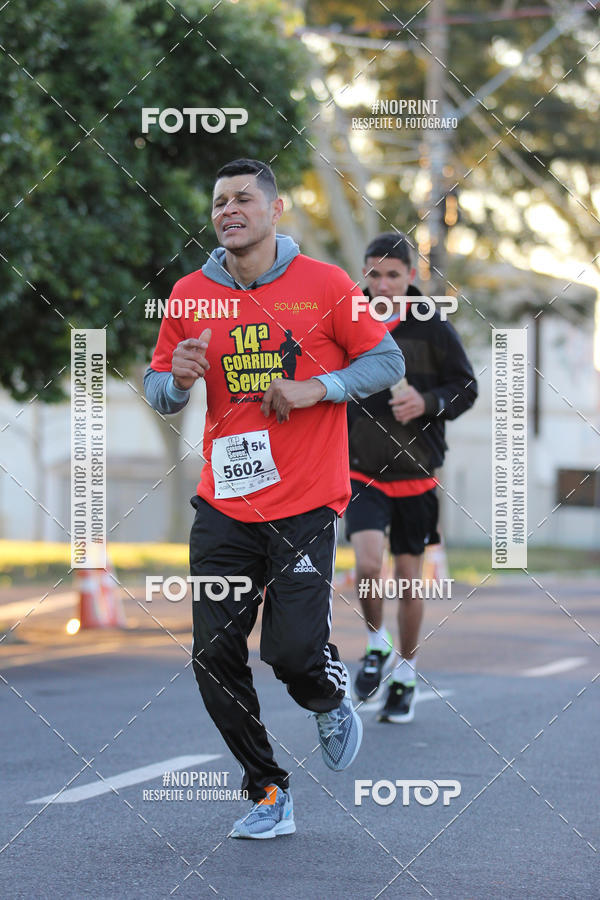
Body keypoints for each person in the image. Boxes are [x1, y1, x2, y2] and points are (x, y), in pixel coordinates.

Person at [144, 161, 404, 838]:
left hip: (305, 503)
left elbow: (387, 363)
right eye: (219, 201)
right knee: (213, 657)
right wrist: (175, 380)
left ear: (275, 209)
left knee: (289, 653)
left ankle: (325, 695)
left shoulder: (324, 285)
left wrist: (316, 389)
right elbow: (160, 387)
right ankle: (267, 791)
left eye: (243, 199)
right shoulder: (190, 292)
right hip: (224, 505)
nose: (229, 210)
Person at [345, 232, 477, 723]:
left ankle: (406, 671)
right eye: (373, 274)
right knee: (366, 563)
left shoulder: (433, 327)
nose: (381, 286)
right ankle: (376, 644)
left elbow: (465, 387)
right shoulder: (348, 319)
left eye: (392, 276)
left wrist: (427, 402)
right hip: (361, 471)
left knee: (407, 579)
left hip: (418, 475)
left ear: (411, 276)